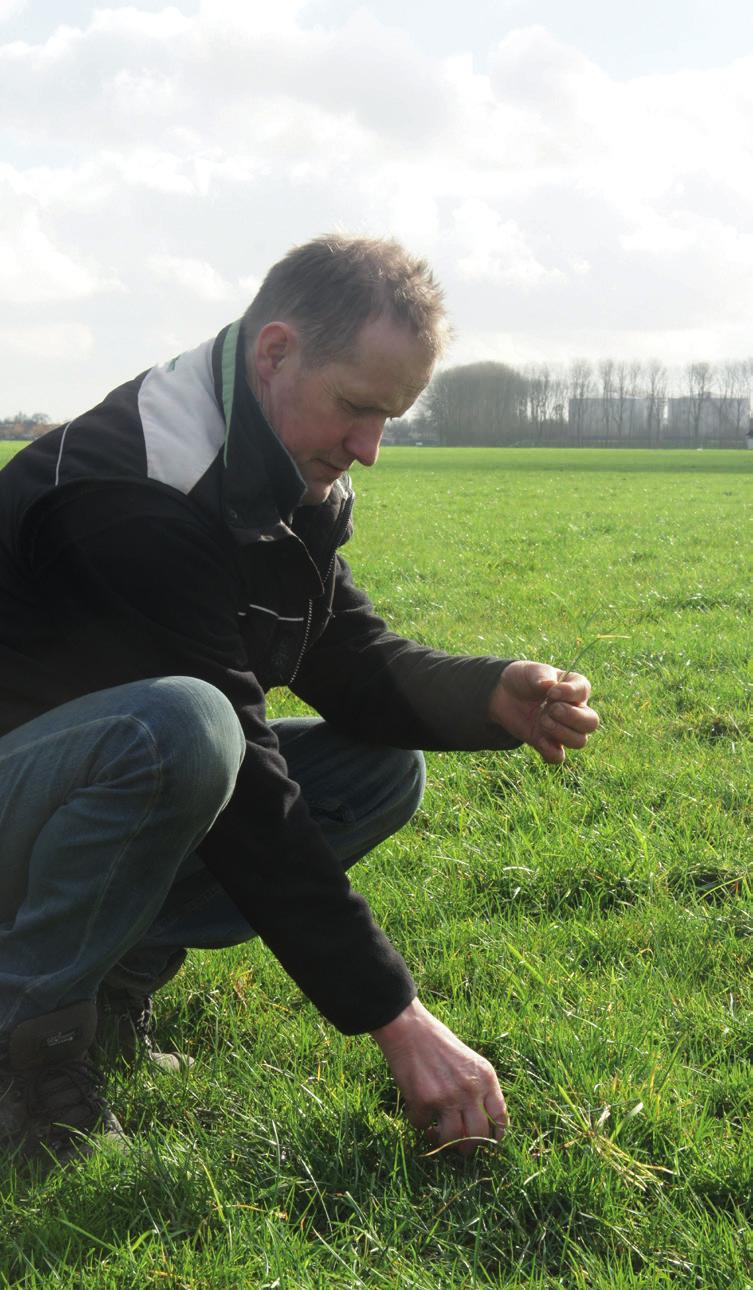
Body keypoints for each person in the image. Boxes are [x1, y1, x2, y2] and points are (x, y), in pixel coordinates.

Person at [0, 235, 598, 1167]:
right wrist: (397, 1020)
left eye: (390, 417)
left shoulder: (273, 464)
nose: (370, 447)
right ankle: (26, 1045)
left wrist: (489, 696)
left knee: (376, 771)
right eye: (357, 408)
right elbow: (243, 782)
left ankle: (113, 978)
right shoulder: (136, 488)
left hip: (58, 803)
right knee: (185, 732)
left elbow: (342, 653)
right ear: (275, 352)